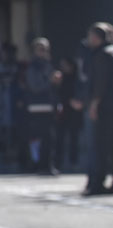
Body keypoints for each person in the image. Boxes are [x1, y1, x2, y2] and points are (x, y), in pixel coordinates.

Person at [83, 22, 113, 196]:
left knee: (101, 146)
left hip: (105, 105)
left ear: (96, 37)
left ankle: (98, 183)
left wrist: (94, 104)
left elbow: (101, 83)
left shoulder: (101, 54)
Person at [25, 37, 61, 175]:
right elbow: (35, 87)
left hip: (49, 105)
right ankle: (38, 165)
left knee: (50, 137)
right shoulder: (33, 66)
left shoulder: (49, 64)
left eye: (45, 49)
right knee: (39, 137)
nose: (43, 52)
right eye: (41, 49)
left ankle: (48, 164)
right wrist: (50, 81)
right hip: (37, 106)